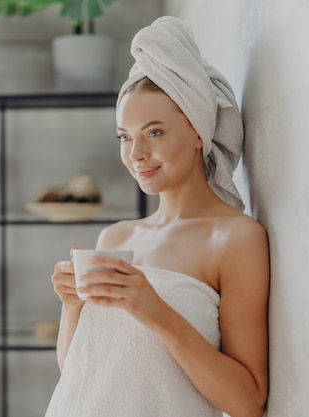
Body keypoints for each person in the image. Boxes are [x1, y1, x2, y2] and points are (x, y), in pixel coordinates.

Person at [44, 16, 269, 417]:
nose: (135, 154)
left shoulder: (235, 239)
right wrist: (71, 305)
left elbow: (247, 401)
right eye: (125, 137)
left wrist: (156, 312)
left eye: (154, 132)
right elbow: (81, 372)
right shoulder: (115, 238)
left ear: (199, 130)